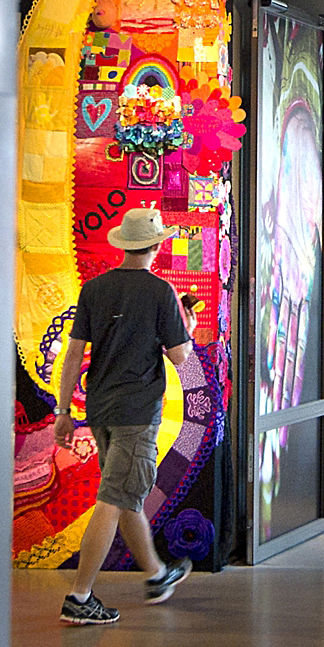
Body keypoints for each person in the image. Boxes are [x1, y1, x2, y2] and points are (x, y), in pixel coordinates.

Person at [53, 207, 196, 625]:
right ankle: (79, 596)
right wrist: (186, 326)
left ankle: (155, 575)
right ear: (156, 246)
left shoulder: (94, 289)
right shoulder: (161, 292)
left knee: (125, 494)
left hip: (100, 408)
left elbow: (74, 354)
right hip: (138, 412)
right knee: (114, 498)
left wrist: (63, 411)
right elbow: (180, 356)